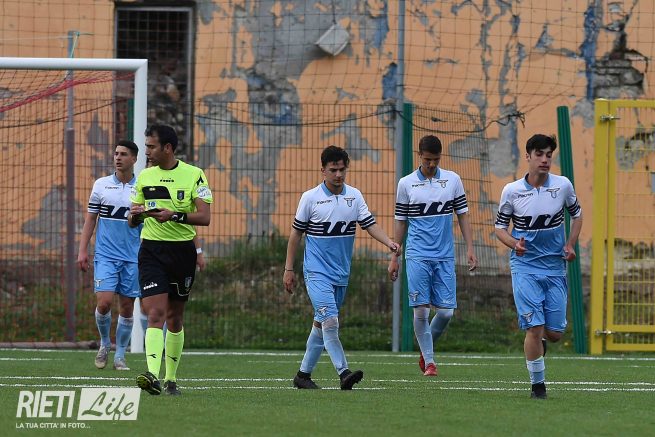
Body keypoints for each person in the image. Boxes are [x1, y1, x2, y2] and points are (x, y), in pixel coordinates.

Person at [283, 145, 400, 390]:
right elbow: (295, 235)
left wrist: (389, 242)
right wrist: (289, 269)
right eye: (333, 170)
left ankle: (302, 375)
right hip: (316, 272)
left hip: (341, 273)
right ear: (323, 170)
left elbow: (369, 224)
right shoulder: (310, 198)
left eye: (342, 169)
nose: (338, 174)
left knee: (321, 323)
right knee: (331, 321)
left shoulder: (354, 197)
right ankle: (344, 372)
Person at [494, 134, 582, 399]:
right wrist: (514, 244)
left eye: (549, 155)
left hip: (554, 267)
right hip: (525, 267)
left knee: (554, 333)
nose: (545, 159)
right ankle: (538, 387)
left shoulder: (563, 186)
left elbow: (577, 215)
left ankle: (542, 337)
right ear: (528, 157)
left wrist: (570, 244)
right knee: (533, 327)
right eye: (539, 154)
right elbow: (500, 228)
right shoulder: (512, 191)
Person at [128, 124, 213, 396]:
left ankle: (171, 378)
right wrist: (136, 215)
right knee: (154, 313)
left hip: (182, 252)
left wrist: (174, 215)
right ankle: (152, 375)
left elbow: (205, 217)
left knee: (175, 317)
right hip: (151, 251)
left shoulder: (194, 175)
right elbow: (131, 220)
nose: (147, 152)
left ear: (167, 148)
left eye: (151, 146)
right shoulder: (144, 177)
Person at [388, 134, 477, 377]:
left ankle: (426, 349)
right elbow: (401, 221)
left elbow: (463, 215)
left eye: (436, 159)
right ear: (419, 156)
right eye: (427, 159)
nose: (431, 164)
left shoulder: (452, 180)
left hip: (444, 256)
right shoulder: (406, 184)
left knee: (446, 312)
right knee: (421, 310)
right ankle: (430, 362)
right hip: (417, 254)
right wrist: (395, 256)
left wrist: (470, 248)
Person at [77, 140, 142, 371]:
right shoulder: (101, 185)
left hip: (133, 257)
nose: (118, 158)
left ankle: (120, 356)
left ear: (134, 159)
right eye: (116, 153)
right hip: (105, 256)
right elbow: (90, 219)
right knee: (104, 303)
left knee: (127, 307)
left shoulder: (142, 187)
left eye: (123, 154)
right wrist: (82, 250)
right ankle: (105, 343)